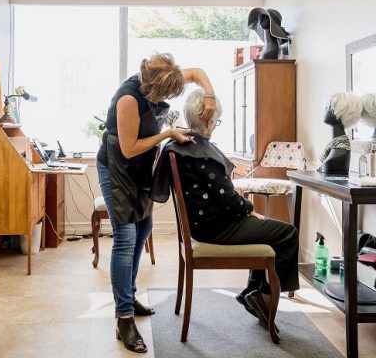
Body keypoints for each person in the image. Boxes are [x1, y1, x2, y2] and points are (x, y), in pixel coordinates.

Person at [96, 53, 216, 354]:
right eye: (164, 95)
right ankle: (123, 316)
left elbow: (198, 71)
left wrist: (210, 96)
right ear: (151, 87)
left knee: (145, 225)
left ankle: (129, 295)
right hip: (117, 168)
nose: (166, 98)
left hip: (140, 167)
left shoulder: (166, 75)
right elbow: (128, 147)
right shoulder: (127, 99)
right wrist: (167, 134)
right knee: (125, 237)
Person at [152, 89, 300, 327]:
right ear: (209, 121)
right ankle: (263, 296)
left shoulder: (179, 146)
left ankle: (254, 291)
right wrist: (249, 208)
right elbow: (229, 201)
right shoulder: (203, 155)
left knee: (263, 228)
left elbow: (224, 198)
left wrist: (246, 211)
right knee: (287, 233)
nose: (215, 125)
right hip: (218, 229)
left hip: (202, 226)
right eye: (215, 121)